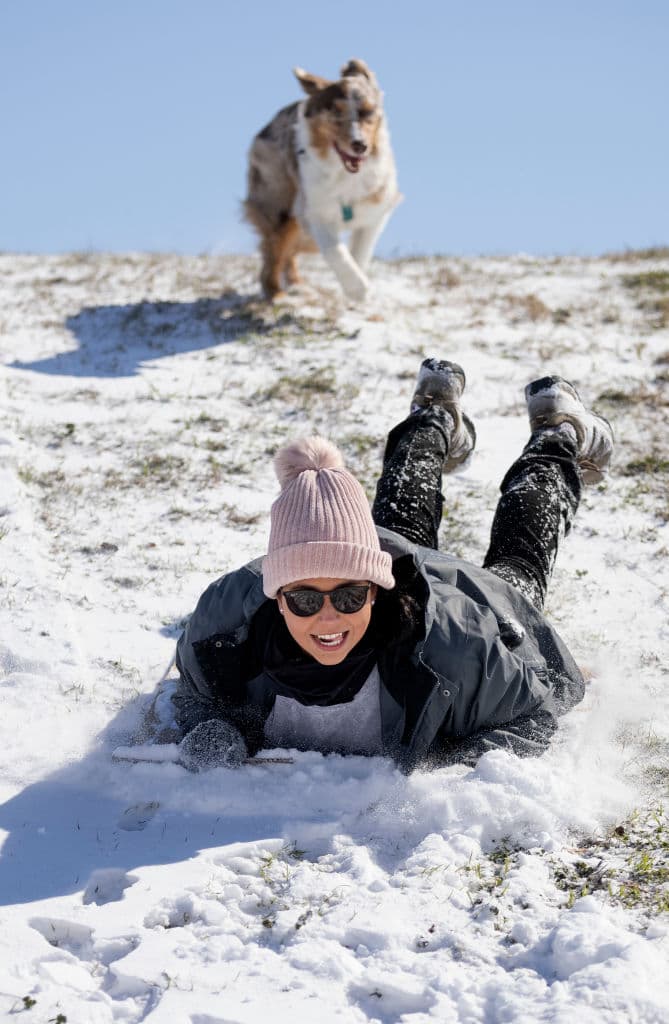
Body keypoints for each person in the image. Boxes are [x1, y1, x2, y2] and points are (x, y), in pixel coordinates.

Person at [172, 359, 613, 771]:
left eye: (349, 596)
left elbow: (532, 716)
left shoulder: (459, 647)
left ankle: (556, 432)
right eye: (305, 599)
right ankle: (435, 412)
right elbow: (195, 693)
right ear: (277, 597)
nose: (328, 616)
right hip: (383, 572)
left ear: (375, 588)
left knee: (517, 563)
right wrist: (212, 728)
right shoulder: (223, 630)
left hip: (471, 606)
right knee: (399, 514)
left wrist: (444, 769)